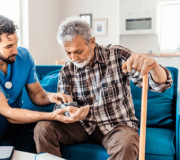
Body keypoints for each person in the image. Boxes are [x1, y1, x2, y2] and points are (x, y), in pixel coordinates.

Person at [34, 16, 173, 160]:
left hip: (116, 125)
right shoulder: (67, 70)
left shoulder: (117, 55)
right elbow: (62, 108)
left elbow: (160, 86)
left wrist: (155, 67)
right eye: (68, 53)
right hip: (81, 125)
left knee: (126, 144)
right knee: (43, 129)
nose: (73, 58)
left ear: (92, 42)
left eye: (78, 51)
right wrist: (68, 113)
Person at [0, 15, 90, 153]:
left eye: (16, 43)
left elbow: (36, 94)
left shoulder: (24, 57)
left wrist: (51, 97)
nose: (16, 51)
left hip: (13, 112)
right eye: (9, 46)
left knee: (34, 127)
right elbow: (7, 112)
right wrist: (51, 115)